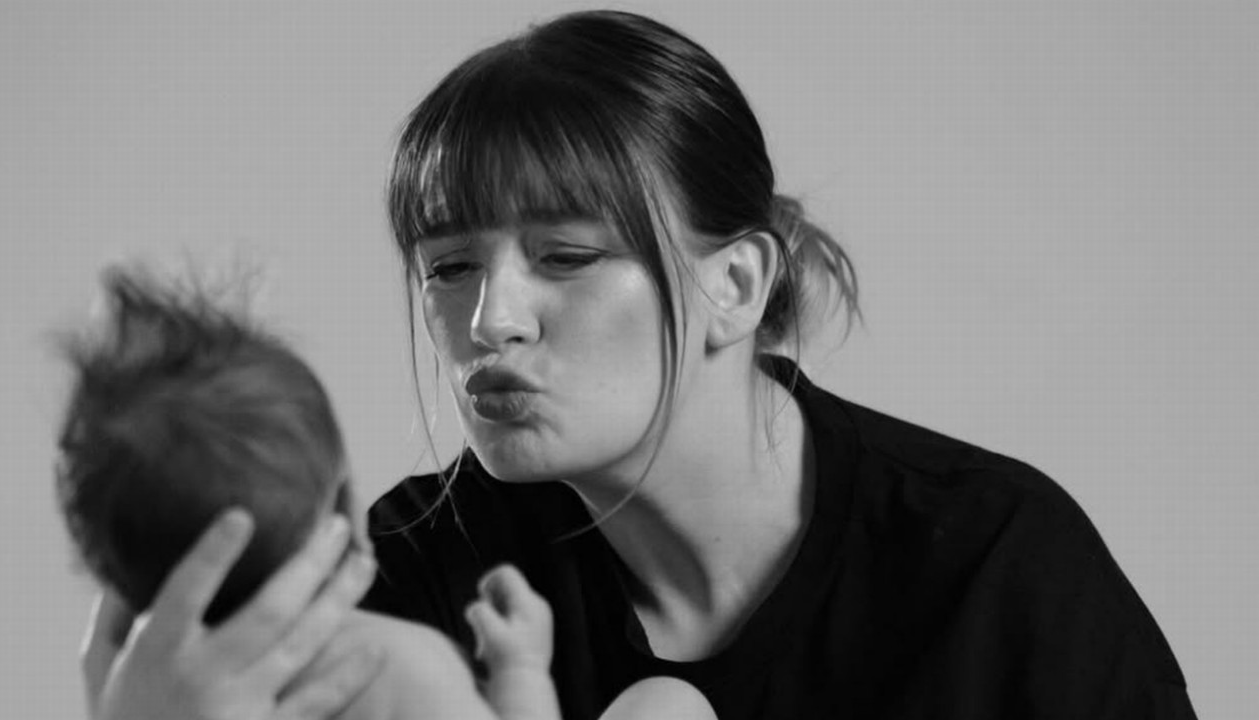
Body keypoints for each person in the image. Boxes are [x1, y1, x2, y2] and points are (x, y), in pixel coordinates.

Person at [80, 9, 1198, 720]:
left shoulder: (997, 567)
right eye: (448, 268)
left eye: (566, 256)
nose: (489, 320)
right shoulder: (415, 577)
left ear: (735, 284)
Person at [59, 267, 715, 720]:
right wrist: (520, 675)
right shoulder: (395, 665)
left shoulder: (140, 691)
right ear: (341, 508)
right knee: (669, 705)